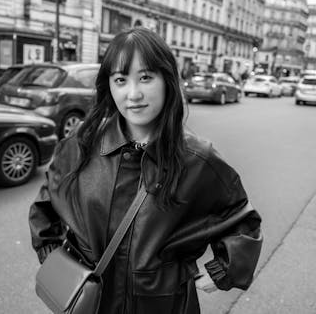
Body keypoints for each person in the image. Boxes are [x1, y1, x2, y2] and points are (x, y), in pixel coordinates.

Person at [29, 28, 263, 314]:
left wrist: (222, 271)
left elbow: (241, 218)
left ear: (167, 80)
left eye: (145, 77)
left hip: (163, 304)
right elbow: (45, 205)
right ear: (109, 87)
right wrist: (53, 259)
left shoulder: (197, 159)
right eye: (120, 80)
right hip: (89, 303)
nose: (134, 94)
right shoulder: (82, 145)